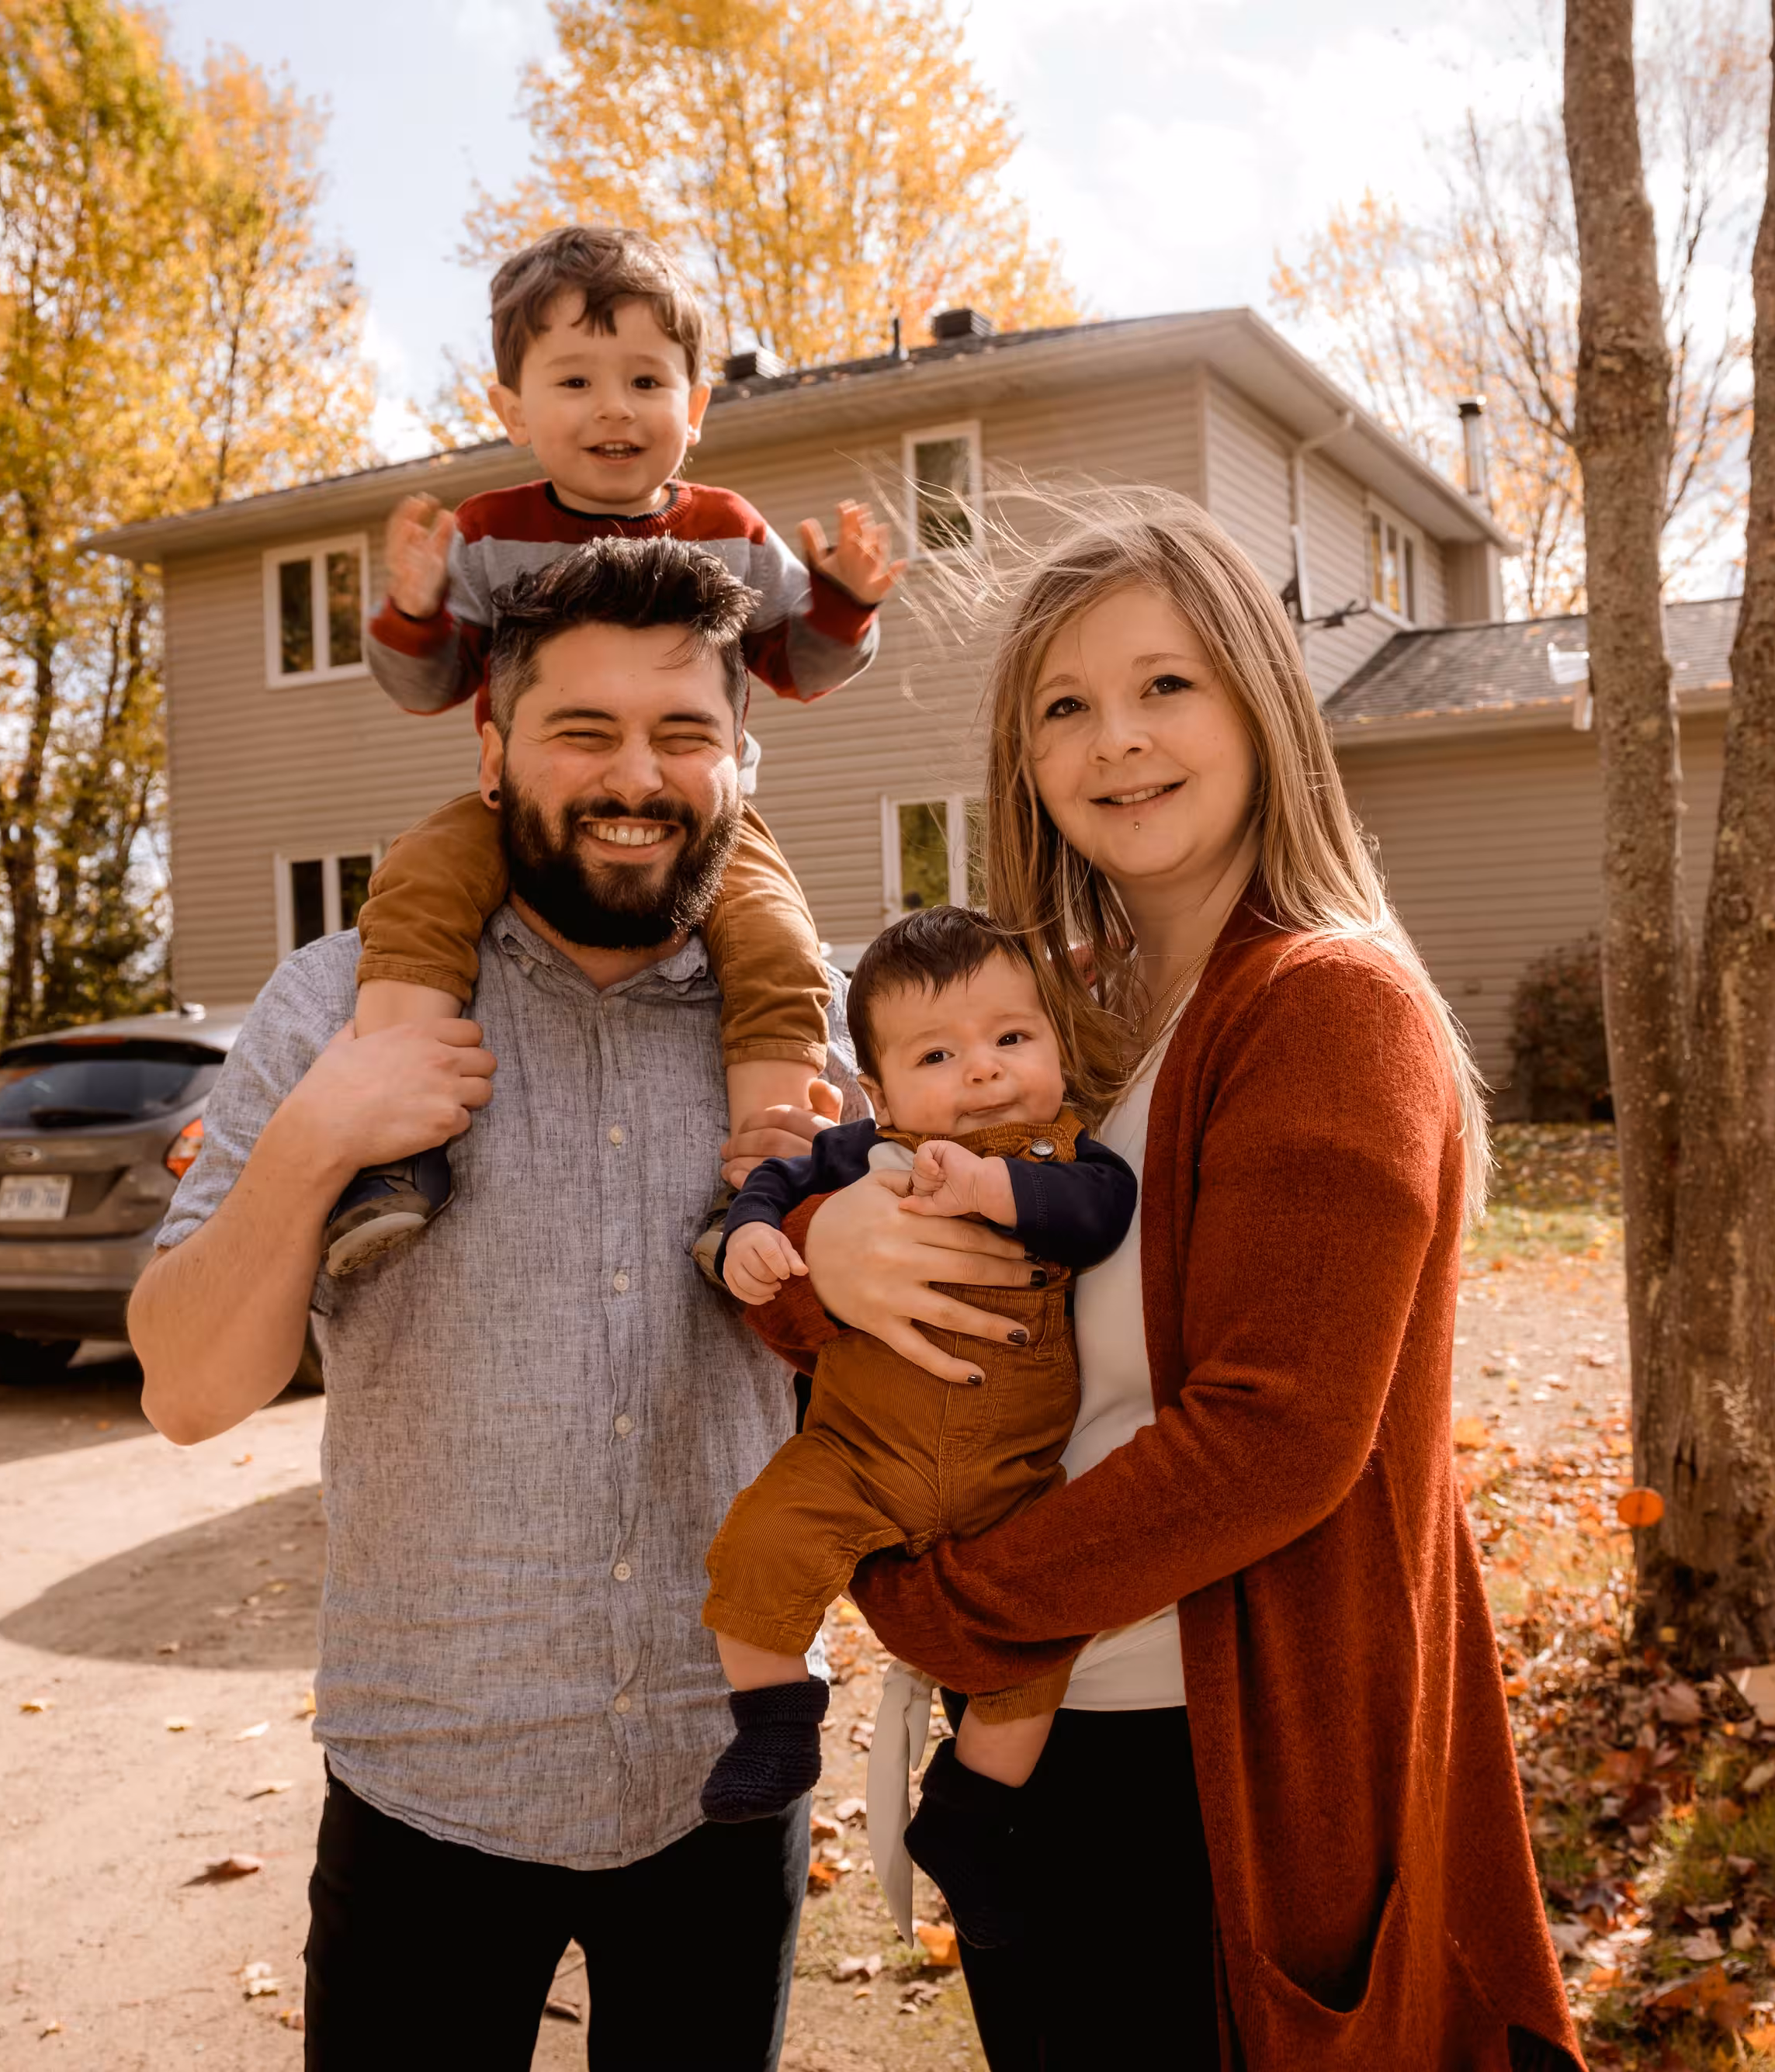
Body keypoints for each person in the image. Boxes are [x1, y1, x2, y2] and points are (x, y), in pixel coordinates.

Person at [743, 494, 1583, 2070]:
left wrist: (939, 1609)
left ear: (1260, 703)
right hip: (1061, 1762)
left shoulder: (1322, 1006)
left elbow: (1271, 1436)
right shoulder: (1064, 1033)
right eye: (1066, 706)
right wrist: (827, 1250)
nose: (1115, 741)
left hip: (1201, 1779)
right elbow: (910, 1292)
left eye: (1164, 687)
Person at [127, 536, 872, 2069]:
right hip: (427, 1780)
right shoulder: (337, 1002)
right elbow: (187, 1392)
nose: (635, 778)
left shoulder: (811, 1048)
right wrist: (323, 1132)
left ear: (742, 754)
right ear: (489, 747)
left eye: (680, 735)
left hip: (724, 1772)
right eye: (581, 731)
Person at [323, 223, 898, 1277]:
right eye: (576, 380)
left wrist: (848, 602)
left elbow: (794, 664)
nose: (615, 408)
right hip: (521, 811)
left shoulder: (728, 525)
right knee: (417, 885)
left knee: (776, 944)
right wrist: (414, 609)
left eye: (646, 378)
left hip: (705, 827)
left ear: (698, 404)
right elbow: (430, 683)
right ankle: (393, 1152)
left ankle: (766, 1184)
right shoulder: (491, 534)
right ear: (510, 409)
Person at [699, 905, 1135, 1951]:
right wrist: (751, 1233)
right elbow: (775, 1178)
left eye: (1011, 1039)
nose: (983, 1071)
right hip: (859, 1457)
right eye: (940, 1053)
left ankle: (971, 1815)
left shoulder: (1073, 1155)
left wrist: (995, 1184)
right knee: (756, 1543)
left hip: (1012, 1482)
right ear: (881, 1092)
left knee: (1038, 1652)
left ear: (1057, 1048)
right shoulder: (863, 1153)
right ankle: (775, 1720)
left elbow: (1100, 1215)